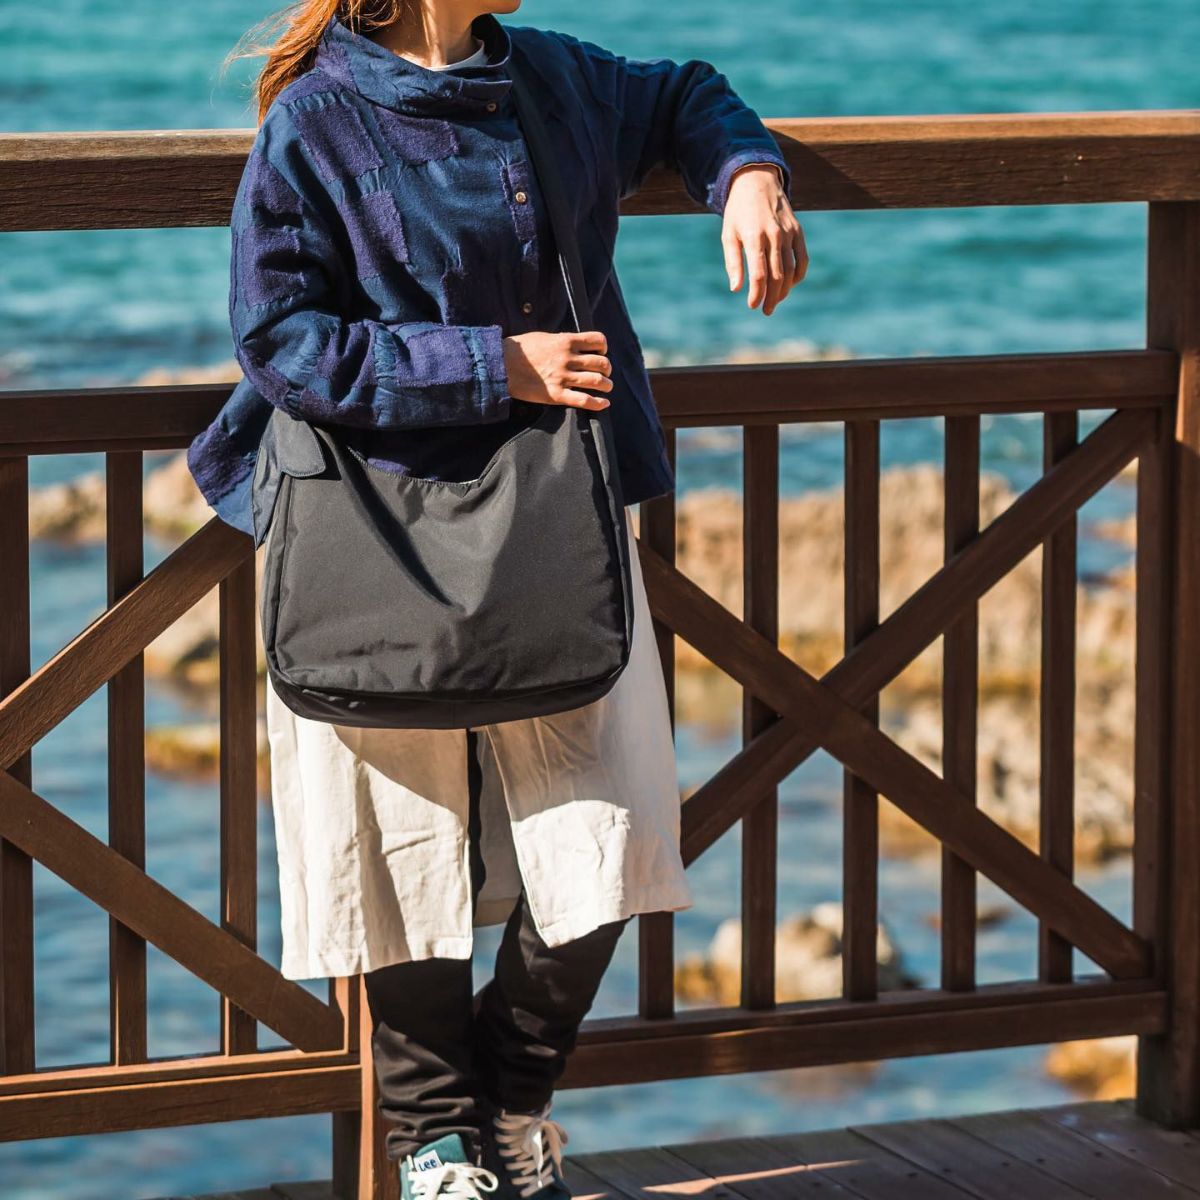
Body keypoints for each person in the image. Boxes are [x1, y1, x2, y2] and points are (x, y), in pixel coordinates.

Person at [187, 2, 807, 1197]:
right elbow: (280, 339)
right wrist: (493, 364)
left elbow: (683, 92)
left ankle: (510, 1103)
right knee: (395, 848)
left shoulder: (556, 76)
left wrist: (747, 171)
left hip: (562, 513)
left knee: (611, 832)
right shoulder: (315, 120)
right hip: (369, 530)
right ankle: (434, 1147)